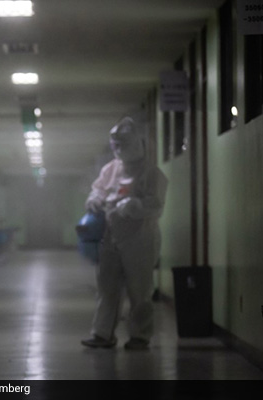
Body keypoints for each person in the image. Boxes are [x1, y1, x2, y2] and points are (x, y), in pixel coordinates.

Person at [81, 116, 168, 350]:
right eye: (115, 145)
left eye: (123, 145)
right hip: (111, 237)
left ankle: (140, 335)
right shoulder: (111, 169)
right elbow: (98, 189)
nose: (118, 150)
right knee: (107, 287)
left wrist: (136, 206)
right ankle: (102, 334)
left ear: (137, 143)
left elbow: (157, 205)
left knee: (139, 289)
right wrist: (94, 200)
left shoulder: (152, 173)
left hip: (140, 238)